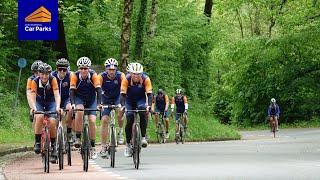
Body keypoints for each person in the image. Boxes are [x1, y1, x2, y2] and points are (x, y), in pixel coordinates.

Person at [70, 57, 102, 159]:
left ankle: (92, 146)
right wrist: (73, 103)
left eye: (85, 68)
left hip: (91, 99)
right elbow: (71, 91)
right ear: (79, 68)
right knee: (79, 111)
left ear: (89, 68)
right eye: (81, 68)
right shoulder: (74, 75)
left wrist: (99, 103)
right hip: (79, 98)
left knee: (92, 121)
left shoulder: (93, 75)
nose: (83, 70)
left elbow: (98, 90)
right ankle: (78, 137)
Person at [29, 63, 61, 163]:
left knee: (52, 121)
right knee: (39, 116)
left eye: (47, 74)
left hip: (51, 102)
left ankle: (54, 146)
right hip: (39, 102)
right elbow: (32, 97)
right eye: (42, 74)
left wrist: (57, 107)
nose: (44, 76)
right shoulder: (34, 81)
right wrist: (34, 108)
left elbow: (57, 95)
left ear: (49, 74)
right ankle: (37, 142)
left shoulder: (53, 80)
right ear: (38, 73)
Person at [120, 62, 153, 157]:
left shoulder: (146, 79)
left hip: (140, 100)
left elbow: (149, 94)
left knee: (143, 111)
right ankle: (128, 144)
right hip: (129, 101)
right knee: (129, 118)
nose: (136, 76)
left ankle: (143, 137)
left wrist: (149, 106)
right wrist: (123, 106)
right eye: (134, 73)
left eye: (138, 74)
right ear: (130, 73)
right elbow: (122, 95)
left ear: (141, 74)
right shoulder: (126, 79)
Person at [99, 58, 126, 158]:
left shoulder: (121, 76)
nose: (111, 71)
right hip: (105, 99)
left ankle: (120, 131)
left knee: (120, 111)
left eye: (113, 69)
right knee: (105, 120)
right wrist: (100, 103)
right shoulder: (101, 76)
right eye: (109, 69)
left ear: (116, 69)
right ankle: (103, 146)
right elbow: (97, 89)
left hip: (117, 98)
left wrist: (123, 103)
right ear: (106, 69)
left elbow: (124, 88)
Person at [51, 58, 73, 142]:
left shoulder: (70, 75)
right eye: (60, 69)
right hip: (54, 99)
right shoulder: (52, 76)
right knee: (55, 120)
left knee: (70, 109)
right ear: (57, 69)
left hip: (66, 98)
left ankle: (69, 132)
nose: (62, 71)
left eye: (65, 69)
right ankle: (54, 141)